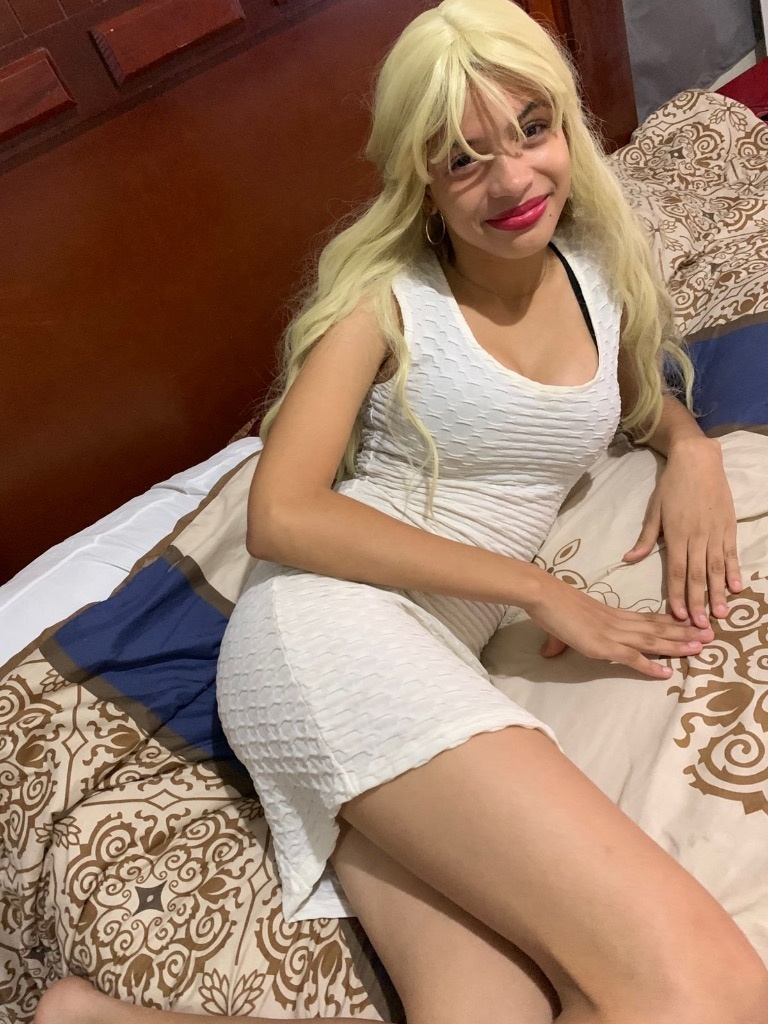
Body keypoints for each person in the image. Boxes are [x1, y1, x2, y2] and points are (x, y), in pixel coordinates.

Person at [37, 1, 768, 1023]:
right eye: (462, 159)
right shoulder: (382, 304)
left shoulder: (593, 265)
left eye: (531, 129)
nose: (512, 180)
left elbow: (630, 391)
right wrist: (538, 591)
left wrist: (685, 446)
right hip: (330, 633)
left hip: (424, 651)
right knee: (708, 988)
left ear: (566, 125)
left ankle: (95, 1019)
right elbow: (280, 515)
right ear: (419, 180)